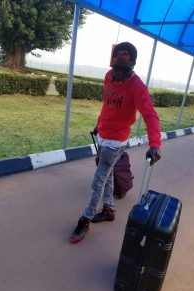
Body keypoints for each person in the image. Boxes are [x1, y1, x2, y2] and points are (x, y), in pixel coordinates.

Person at [69, 42, 161, 244]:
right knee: (108, 173)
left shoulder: (137, 87)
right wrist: (98, 124)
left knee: (98, 180)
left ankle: (85, 219)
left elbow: (150, 116)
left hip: (115, 142)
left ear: (133, 66)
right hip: (103, 135)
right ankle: (109, 209)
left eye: (124, 69)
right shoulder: (108, 77)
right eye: (115, 67)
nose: (118, 73)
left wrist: (155, 144)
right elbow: (107, 106)